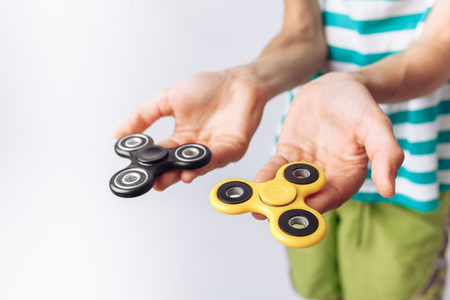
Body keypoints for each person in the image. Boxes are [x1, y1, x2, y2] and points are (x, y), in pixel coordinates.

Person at [113, 0, 450, 299]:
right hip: (309, 155)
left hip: (412, 175)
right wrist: (249, 79)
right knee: (314, 286)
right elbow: (302, 35)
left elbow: (438, 48)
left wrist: (355, 83)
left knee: (395, 291)